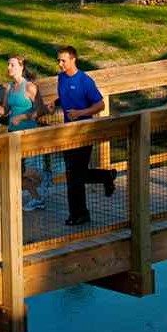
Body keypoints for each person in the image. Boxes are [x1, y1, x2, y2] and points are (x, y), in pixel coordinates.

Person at [47, 46, 117, 226]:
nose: (60, 64)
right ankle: (106, 176)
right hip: (67, 133)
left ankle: (79, 214)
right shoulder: (61, 78)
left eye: (63, 60)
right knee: (75, 173)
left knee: (74, 174)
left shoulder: (85, 80)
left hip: (84, 131)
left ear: (73, 60)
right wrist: (54, 103)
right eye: (58, 60)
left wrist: (80, 113)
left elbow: (100, 104)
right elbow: (66, 97)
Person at [0, 56, 48, 210]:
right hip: (12, 135)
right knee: (14, 171)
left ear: (21, 67)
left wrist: (23, 116)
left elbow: (40, 110)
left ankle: (44, 181)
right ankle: (36, 198)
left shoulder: (30, 87)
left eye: (12, 65)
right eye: (8, 64)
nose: (9, 67)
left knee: (27, 171)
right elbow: (6, 110)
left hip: (28, 135)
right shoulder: (9, 88)